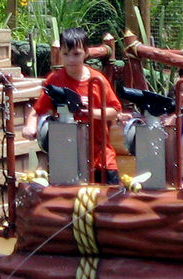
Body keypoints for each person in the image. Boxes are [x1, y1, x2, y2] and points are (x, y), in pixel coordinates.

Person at [26, 27, 121, 184]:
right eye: (66, 54)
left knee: (110, 196)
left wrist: (92, 112)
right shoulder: (54, 80)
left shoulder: (97, 80)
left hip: (101, 158)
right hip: (68, 157)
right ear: (60, 54)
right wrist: (30, 127)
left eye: (76, 54)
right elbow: (37, 111)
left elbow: (115, 110)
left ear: (86, 53)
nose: (71, 59)